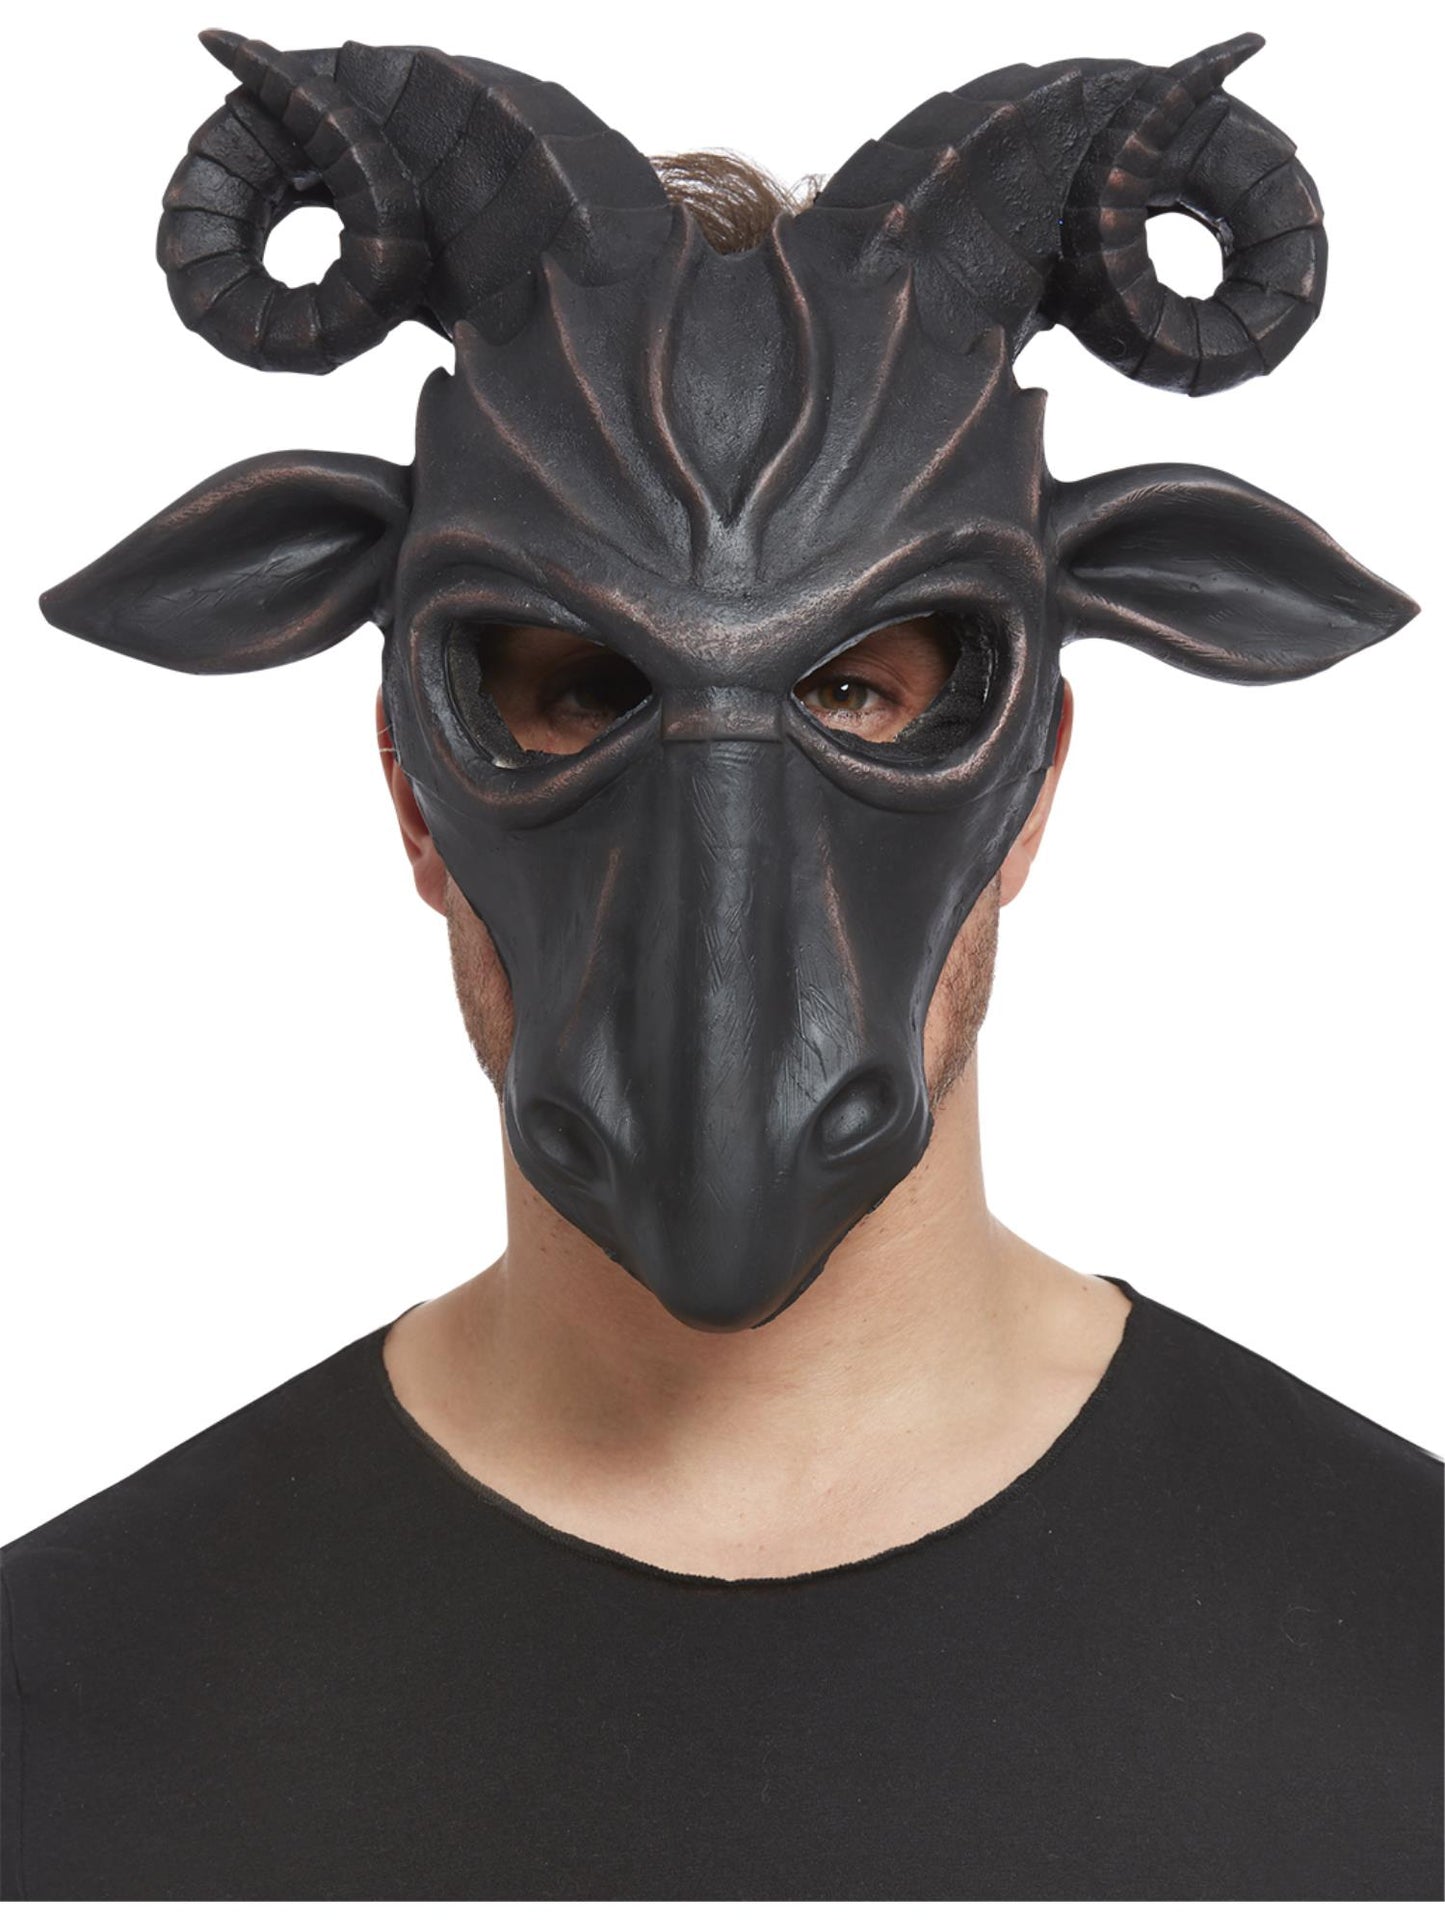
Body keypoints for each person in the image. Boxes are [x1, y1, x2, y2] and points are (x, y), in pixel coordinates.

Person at [2, 33, 1439, 1903]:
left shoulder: (1410, 1661)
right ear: (414, 786)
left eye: (858, 692)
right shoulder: (56, 1719)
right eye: (573, 692)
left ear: (1030, 777)